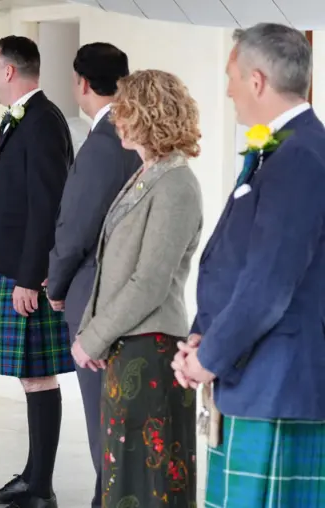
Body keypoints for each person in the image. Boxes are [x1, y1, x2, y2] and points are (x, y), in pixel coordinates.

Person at [173, 23, 325, 508]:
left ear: (257, 81)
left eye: (232, 76)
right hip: (256, 377)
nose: (228, 89)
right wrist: (202, 336)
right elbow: (238, 263)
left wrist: (209, 357)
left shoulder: (300, 155)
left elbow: (269, 283)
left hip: (276, 382)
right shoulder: (285, 148)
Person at [73, 69, 202, 507]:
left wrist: (92, 337)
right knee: (124, 477)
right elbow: (111, 263)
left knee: (149, 484)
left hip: (152, 351)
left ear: (148, 115)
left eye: (125, 111)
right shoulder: (148, 174)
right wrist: (93, 333)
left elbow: (148, 281)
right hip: (129, 348)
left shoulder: (177, 183)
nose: (117, 120)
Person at [0, 36, 74, 508]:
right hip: (15, 269)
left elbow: (47, 205)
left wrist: (30, 277)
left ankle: (39, 486)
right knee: (31, 376)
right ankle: (34, 478)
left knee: (38, 376)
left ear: (10, 71)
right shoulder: (30, 119)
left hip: (25, 274)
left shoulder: (41, 123)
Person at [46, 42, 141, 508]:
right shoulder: (134, 135)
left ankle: (108, 498)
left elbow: (77, 223)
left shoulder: (105, 142)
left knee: (101, 412)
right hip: (127, 294)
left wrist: (57, 284)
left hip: (95, 293)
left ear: (83, 83)